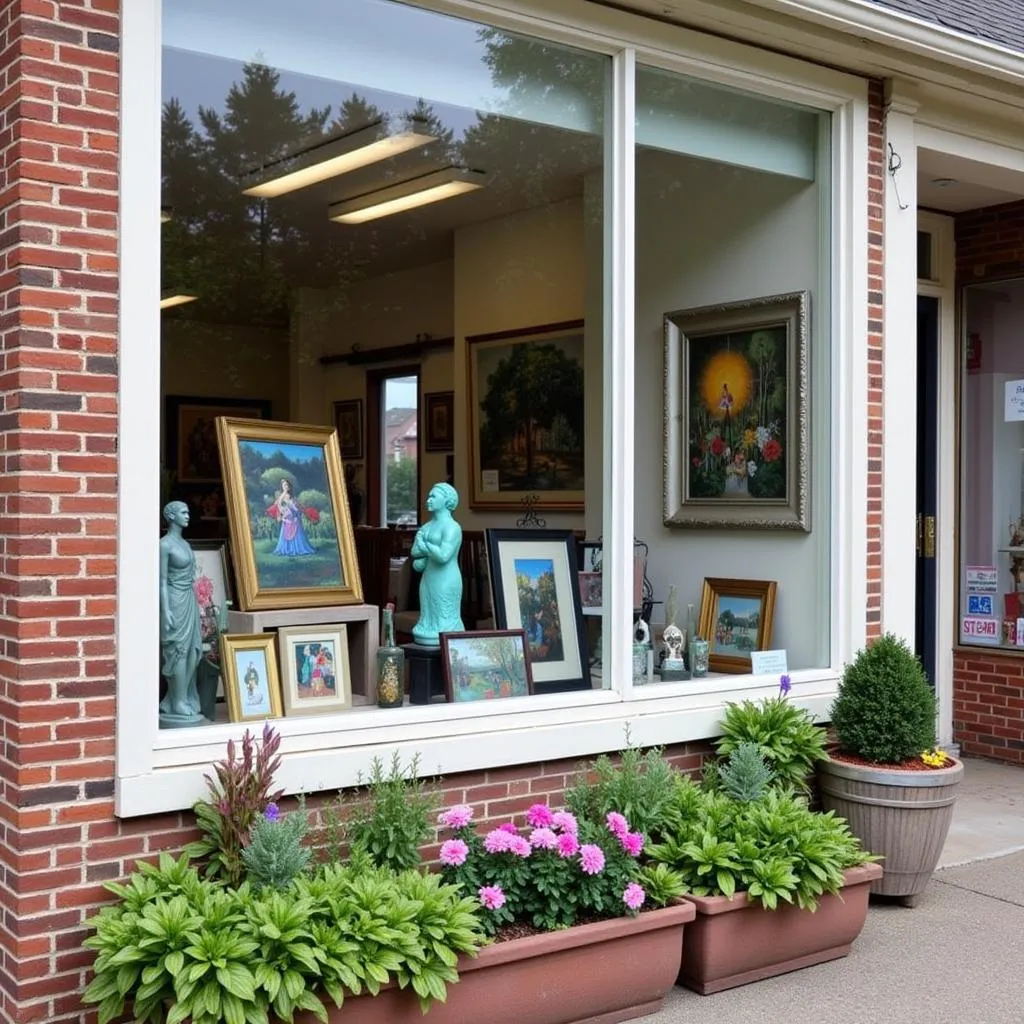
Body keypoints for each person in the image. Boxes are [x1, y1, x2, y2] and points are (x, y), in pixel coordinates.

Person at [158, 501, 205, 725]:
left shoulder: (184, 543)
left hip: (188, 599)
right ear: (171, 516)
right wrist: (165, 610)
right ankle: (177, 701)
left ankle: (180, 697)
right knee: (177, 650)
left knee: (192, 651)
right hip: (174, 600)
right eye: (183, 512)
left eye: (188, 511)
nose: (188, 515)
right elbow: (161, 581)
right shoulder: (164, 545)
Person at [410, 482, 464, 646]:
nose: (428, 500)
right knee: (428, 614)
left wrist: (425, 546)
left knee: (444, 617)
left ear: (447, 500)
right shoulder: (427, 526)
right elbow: (414, 552)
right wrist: (428, 548)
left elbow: (443, 556)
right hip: (428, 578)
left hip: (446, 580)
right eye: (429, 496)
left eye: (433, 496)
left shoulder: (452, 527)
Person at [268, 478, 316, 556]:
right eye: (284, 485)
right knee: (287, 532)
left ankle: (297, 548)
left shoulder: (291, 496)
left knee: (297, 527)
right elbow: (278, 505)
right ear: (282, 487)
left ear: (289, 487)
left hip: (294, 517)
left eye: (287, 485)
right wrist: (283, 513)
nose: (286, 486)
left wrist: (297, 509)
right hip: (287, 519)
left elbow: (295, 506)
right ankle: (288, 548)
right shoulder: (282, 496)